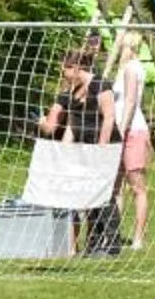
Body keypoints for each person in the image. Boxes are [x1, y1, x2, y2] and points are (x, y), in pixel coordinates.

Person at [36, 47, 119, 254]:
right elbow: (72, 126)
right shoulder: (71, 92)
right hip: (84, 147)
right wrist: (63, 152)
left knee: (104, 195)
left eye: (63, 70)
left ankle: (112, 243)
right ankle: (93, 244)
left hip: (105, 145)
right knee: (87, 194)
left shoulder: (101, 85)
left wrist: (101, 150)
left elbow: (109, 118)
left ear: (74, 68)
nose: (62, 75)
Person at [110, 39, 153, 251]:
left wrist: (121, 129)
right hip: (122, 131)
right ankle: (114, 233)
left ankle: (138, 237)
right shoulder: (126, 69)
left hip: (131, 131)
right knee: (116, 186)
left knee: (137, 186)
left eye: (122, 46)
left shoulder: (131, 68)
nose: (118, 50)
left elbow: (130, 101)